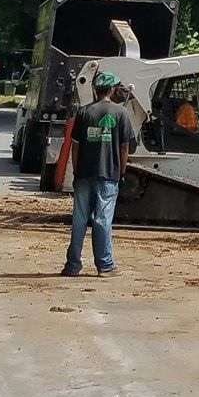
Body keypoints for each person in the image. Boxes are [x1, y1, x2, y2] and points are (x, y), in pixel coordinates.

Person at [61, 71, 133, 278]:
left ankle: (72, 266)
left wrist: (76, 171)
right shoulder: (121, 113)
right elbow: (124, 147)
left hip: (84, 173)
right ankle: (105, 265)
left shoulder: (84, 113)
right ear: (111, 89)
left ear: (95, 89)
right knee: (102, 220)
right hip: (109, 174)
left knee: (79, 220)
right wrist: (122, 171)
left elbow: (75, 147)